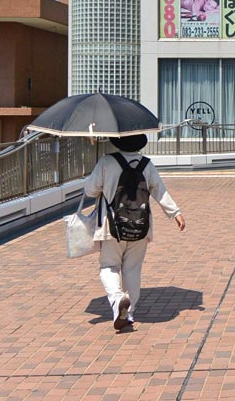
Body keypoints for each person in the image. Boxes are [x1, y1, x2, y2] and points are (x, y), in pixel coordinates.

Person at [85, 134, 186, 330]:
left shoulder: (106, 162)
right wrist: (176, 213)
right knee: (132, 269)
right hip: (140, 226)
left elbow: (90, 190)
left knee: (109, 266)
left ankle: (117, 300)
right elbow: (160, 191)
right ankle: (128, 314)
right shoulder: (147, 164)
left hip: (111, 226)